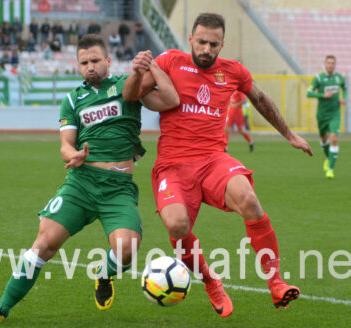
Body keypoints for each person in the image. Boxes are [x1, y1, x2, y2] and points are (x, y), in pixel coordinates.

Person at [0, 33, 179, 325]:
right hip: (81, 183)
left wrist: (148, 66)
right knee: (44, 243)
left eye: (95, 60)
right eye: (84, 62)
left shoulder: (127, 86)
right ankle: (1, 309)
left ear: (108, 61)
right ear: (78, 65)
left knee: (126, 250)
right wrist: (72, 155)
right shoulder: (72, 100)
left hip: (118, 189)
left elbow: (171, 99)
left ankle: (104, 274)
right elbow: (65, 145)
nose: (90, 66)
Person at [123, 13, 312, 318]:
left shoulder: (234, 71)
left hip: (214, 160)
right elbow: (132, 94)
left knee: (250, 200)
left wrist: (289, 135)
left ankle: (276, 282)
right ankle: (211, 282)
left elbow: (261, 100)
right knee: (176, 225)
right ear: (191, 40)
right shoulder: (170, 61)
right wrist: (140, 69)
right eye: (201, 42)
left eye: (213, 44)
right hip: (172, 165)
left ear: (222, 44)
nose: (207, 49)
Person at [307, 55, 347, 179]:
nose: (330, 65)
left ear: (335, 65)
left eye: (333, 63)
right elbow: (309, 93)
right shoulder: (319, 78)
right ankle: (328, 158)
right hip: (322, 115)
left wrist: (343, 98)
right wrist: (322, 95)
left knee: (334, 138)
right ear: (325, 64)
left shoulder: (339, 78)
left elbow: (344, 88)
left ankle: (330, 169)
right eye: (328, 63)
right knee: (324, 139)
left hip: (335, 113)